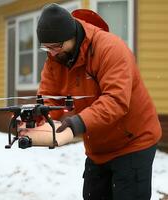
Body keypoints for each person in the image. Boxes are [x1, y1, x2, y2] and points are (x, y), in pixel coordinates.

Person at [19, 3, 162, 200]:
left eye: (57, 47)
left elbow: (115, 100)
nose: (51, 53)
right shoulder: (56, 57)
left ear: (73, 36)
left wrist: (78, 122)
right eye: (46, 48)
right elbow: (50, 99)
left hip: (133, 141)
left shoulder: (110, 49)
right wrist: (38, 116)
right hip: (98, 147)